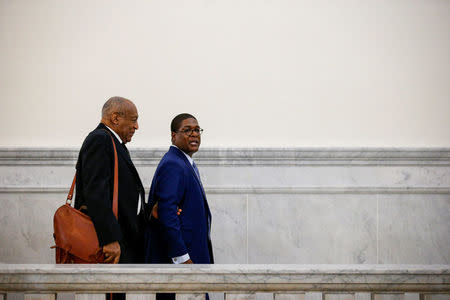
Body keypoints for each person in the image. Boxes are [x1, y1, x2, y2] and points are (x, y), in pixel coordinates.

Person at [144, 113, 214, 299]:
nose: (194, 134)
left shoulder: (184, 162)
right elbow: (167, 213)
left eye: (197, 130)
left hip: (191, 258)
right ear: (173, 136)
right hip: (181, 262)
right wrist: (181, 257)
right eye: (187, 130)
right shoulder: (174, 164)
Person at [74, 96, 146, 266]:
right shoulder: (100, 139)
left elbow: (123, 195)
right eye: (134, 120)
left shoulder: (114, 142)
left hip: (123, 242)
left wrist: (149, 209)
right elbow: (96, 193)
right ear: (115, 118)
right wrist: (109, 239)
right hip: (111, 247)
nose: (136, 126)